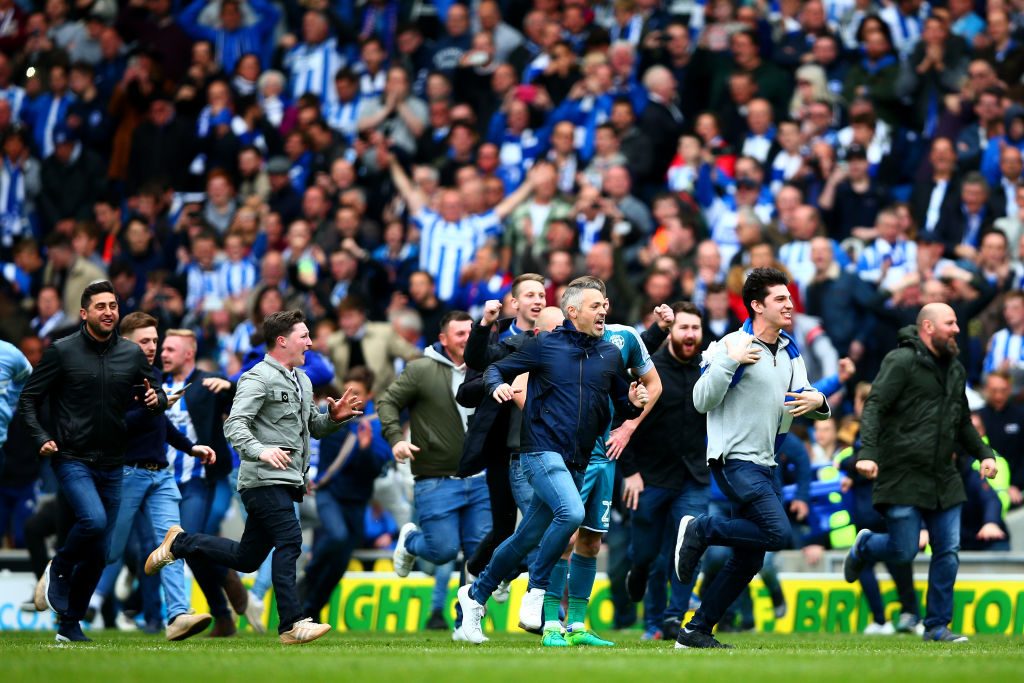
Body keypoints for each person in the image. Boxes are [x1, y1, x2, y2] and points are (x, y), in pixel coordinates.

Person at [144, 310, 363, 645]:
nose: (310, 342)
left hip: (287, 480)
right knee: (290, 541)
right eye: (304, 335)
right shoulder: (256, 377)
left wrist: (332, 418)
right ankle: (292, 622)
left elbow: (312, 429)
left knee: (246, 559)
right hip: (261, 478)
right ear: (282, 340)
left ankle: (181, 542)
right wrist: (261, 451)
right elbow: (234, 425)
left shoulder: (302, 380)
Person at [457, 276, 649, 646]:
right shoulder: (545, 345)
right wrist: (497, 384)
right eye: (596, 306)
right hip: (540, 452)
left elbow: (622, 405)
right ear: (572, 312)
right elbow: (497, 368)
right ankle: (536, 590)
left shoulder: (609, 354)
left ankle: (474, 595)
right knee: (573, 515)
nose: (603, 311)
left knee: (525, 536)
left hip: (577, 461)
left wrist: (634, 402)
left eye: (605, 305)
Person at [673, 268, 831, 649]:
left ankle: (696, 630)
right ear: (757, 306)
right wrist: (730, 362)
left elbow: (805, 396)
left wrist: (819, 402)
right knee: (779, 533)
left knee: (749, 561)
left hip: (765, 462)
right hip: (734, 461)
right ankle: (701, 530)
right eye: (780, 299)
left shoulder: (791, 349)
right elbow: (700, 400)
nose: (790, 303)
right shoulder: (729, 344)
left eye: (789, 297)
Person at [21, 280, 167, 643]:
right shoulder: (61, 351)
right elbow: (28, 399)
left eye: (113, 306)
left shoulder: (131, 354)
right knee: (94, 520)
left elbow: (157, 392)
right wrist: (41, 437)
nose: (108, 312)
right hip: (71, 458)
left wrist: (157, 401)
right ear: (84, 313)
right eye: (100, 306)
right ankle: (61, 566)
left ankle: (69, 626)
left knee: (102, 552)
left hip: (114, 462)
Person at [842, 303, 998, 643]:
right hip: (902, 474)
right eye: (950, 323)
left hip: (944, 477)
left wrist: (984, 453)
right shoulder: (900, 361)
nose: (957, 329)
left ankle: (936, 626)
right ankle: (866, 545)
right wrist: (867, 453)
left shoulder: (955, 369)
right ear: (928, 327)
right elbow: (875, 406)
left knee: (948, 550)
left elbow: (962, 422)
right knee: (904, 550)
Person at [103, 312, 217, 641]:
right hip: (127, 473)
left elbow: (160, 424)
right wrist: (154, 407)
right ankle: (62, 574)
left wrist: (190, 447)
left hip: (160, 475)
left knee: (173, 543)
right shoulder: (111, 378)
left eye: (155, 340)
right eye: (145, 341)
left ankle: (178, 614)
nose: (153, 347)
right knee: (110, 550)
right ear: (125, 342)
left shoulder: (151, 374)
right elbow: (117, 428)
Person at [381, 311, 493, 638]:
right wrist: (395, 441)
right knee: (443, 551)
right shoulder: (420, 369)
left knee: (477, 558)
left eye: (470, 332)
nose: (466, 338)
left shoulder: (486, 368)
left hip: (480, 478)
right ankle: (412, 541)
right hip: (435, 478)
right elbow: (387, 403)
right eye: (459, 333)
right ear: (443, 339)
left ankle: (466, 624)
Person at [622, 302, 710, 640]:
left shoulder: (709, 369)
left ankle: (673, 618)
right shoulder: (649, 370)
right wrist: (629, 471)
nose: (690, 334)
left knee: (689, 548)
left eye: (695, 329)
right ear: (671, 332)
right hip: (649, 477)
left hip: (694, 478)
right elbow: (624, 420)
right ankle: (652, 618)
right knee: (648, 557)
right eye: (684, 327)